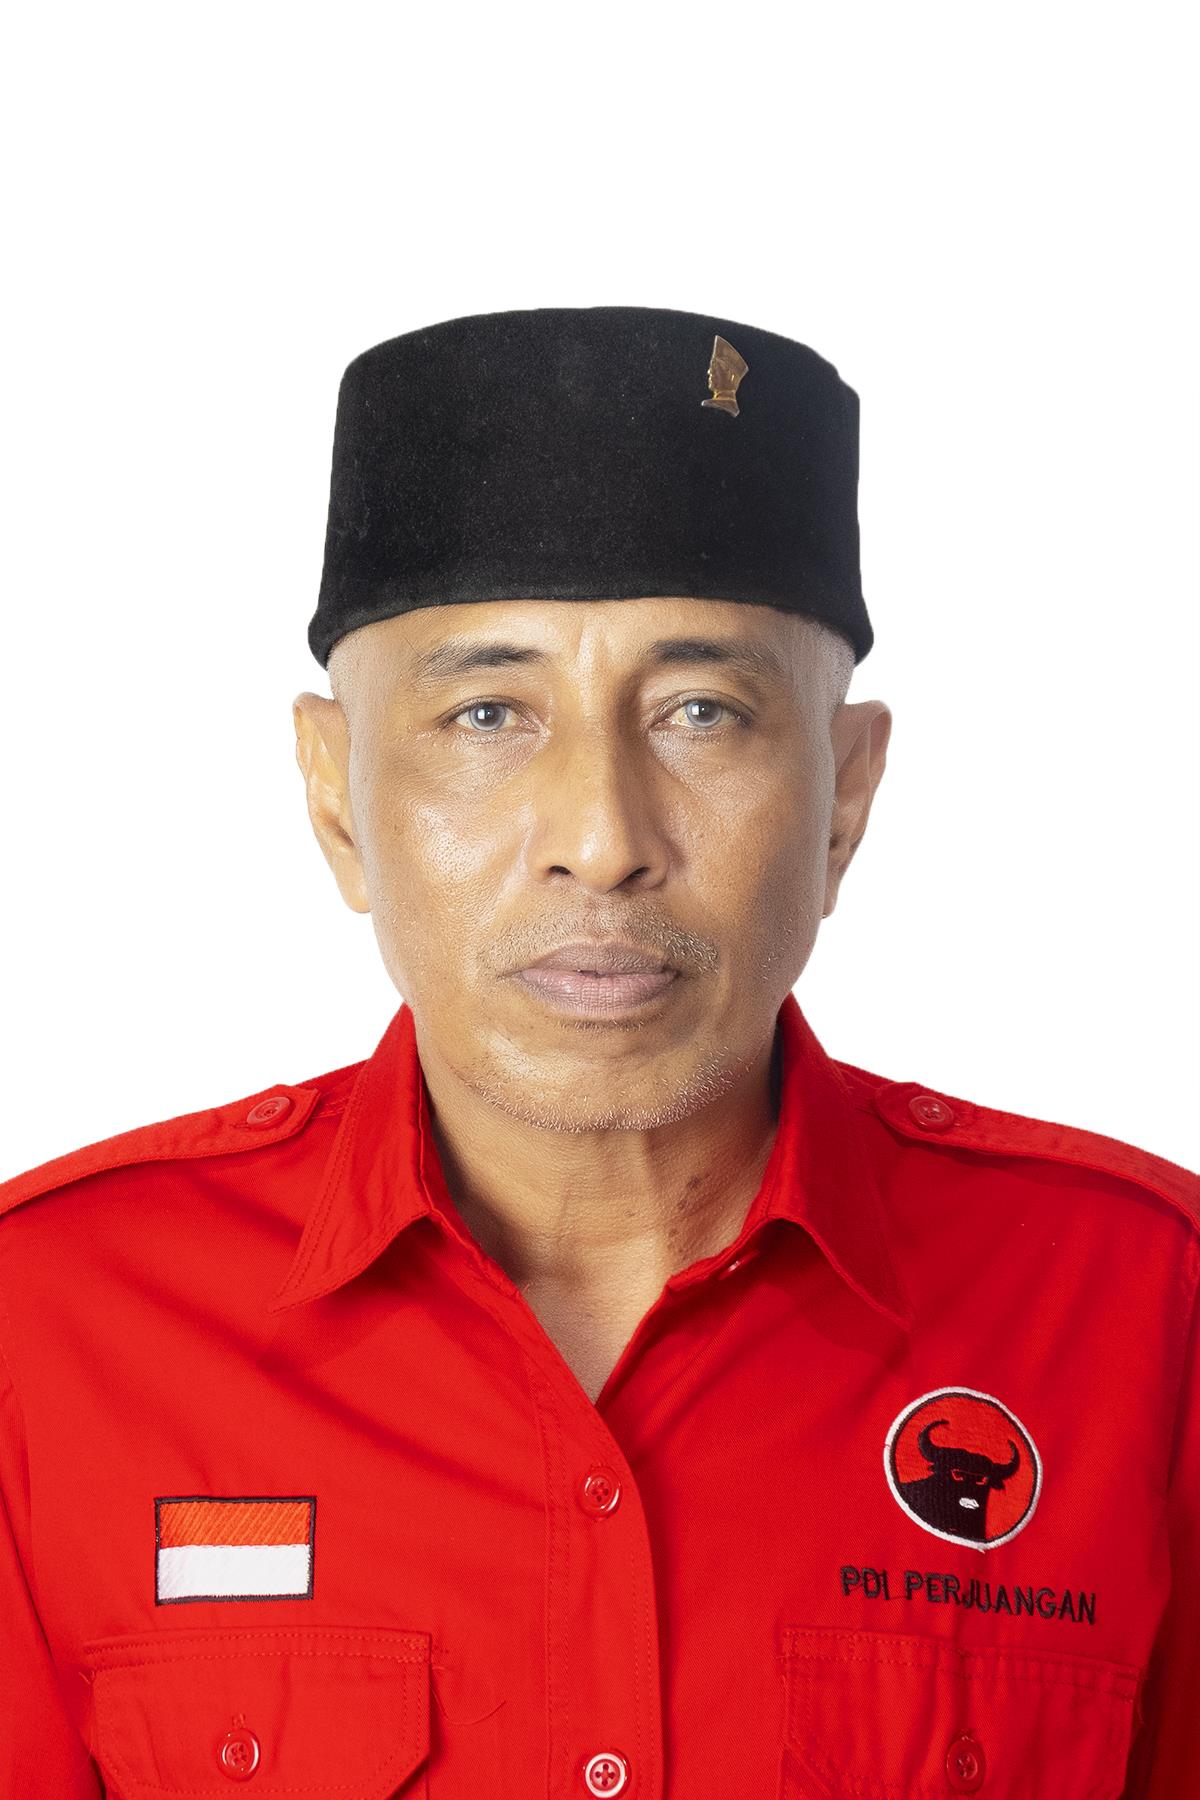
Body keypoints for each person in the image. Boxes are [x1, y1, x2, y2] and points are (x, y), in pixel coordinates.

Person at [0, 305, 1194, 1797]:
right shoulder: (48, 1329)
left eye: (701, 711)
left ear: (844, 795)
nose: (602, 838)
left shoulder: (1144, 1315)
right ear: (336, 796)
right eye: (487, 713)